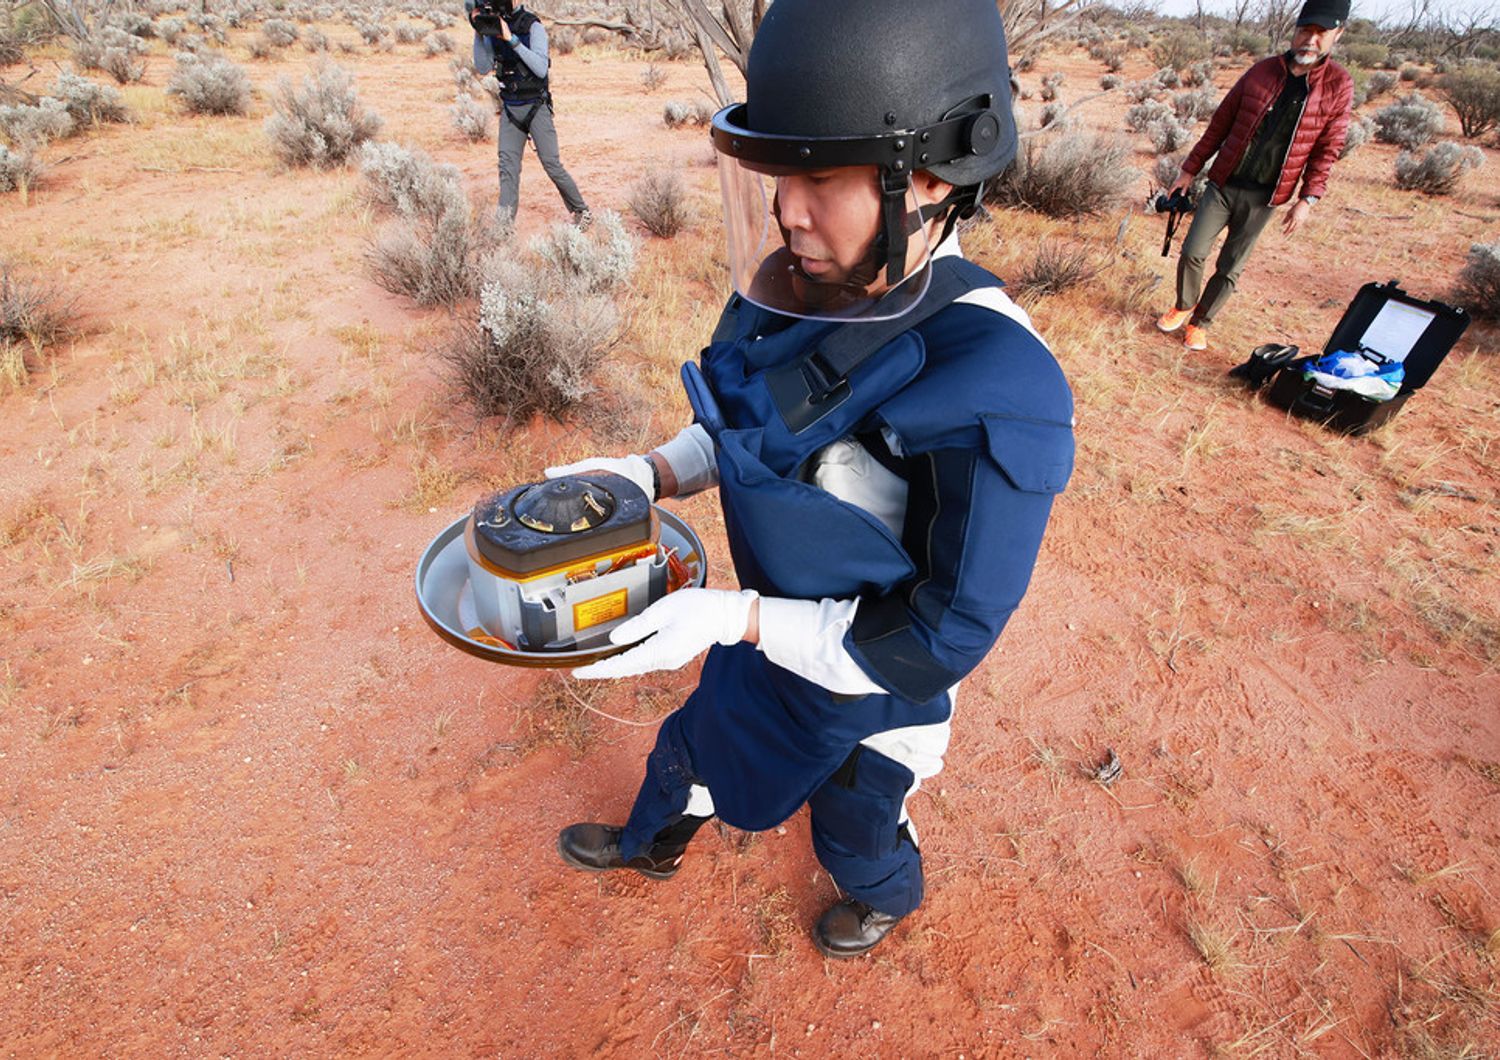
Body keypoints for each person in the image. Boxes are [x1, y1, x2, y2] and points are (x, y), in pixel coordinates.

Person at [544, 0, 1074, 959]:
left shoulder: (999, 382)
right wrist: (650, 472)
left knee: (854, 825)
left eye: (822, 176)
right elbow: (747, 428)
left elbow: (934, 637)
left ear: (930, 177)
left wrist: (735, 617)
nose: (789, 209)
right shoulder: (800, 279)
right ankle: (650, 844)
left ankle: (885, 895)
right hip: (767, 631)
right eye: (778, 174)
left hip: (873, 689)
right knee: (692, 748)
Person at [1156, 0, 1354, 352]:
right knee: (1192, 251)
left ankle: (1201, 323)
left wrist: (1307, 199)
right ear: (1295, 31)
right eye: (1305, 30)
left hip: (1267, 195)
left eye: (1321, 33)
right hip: (1224, 182)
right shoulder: (1262, 72)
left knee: (1231, 266)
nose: (1311, 40)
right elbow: (1220, 124)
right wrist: (1190, 169)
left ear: (1337, 35)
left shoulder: (1338, 85)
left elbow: (1328, 149)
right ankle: (1184, 304)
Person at [464, 0, 590, 227]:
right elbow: (483, 67)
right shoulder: (494, 25)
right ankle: (503, 227)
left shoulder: (532, 26)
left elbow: (540, 67)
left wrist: (511, 39)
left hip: (535, 107)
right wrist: (479, 30)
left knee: (552, 164)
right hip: (510, 108)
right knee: (507, 169)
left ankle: (581, 210)